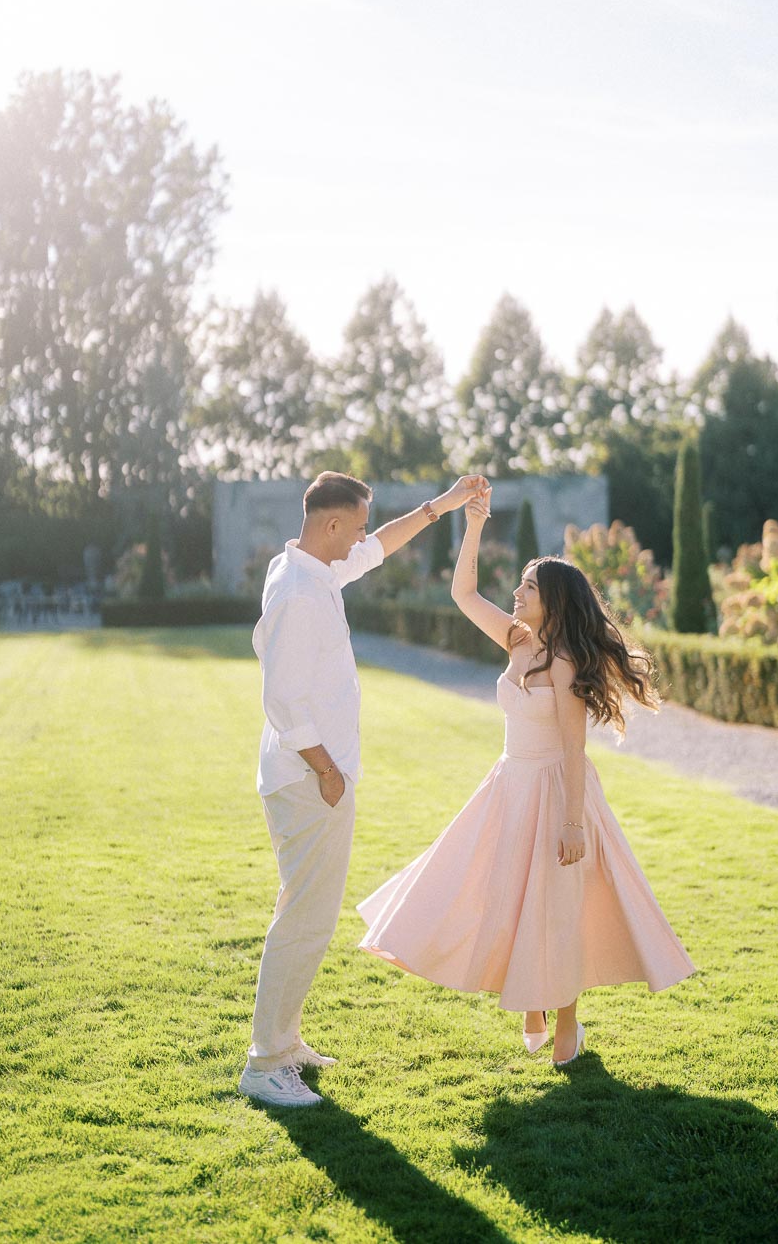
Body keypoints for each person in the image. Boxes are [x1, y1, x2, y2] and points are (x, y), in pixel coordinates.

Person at [358, 489, 695, 1065]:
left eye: (528, 587)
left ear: (555, 602)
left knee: (557, 903)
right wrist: (474, 522)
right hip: (509, 785)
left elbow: (571, 748)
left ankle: (566, 1021)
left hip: (557, 790)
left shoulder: (565, 663)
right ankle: (531, 1001)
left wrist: (571, 824)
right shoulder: (516, 638)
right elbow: (463, 593)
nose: (516, 593)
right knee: (501, 894)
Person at [239, 469, 489, 1108]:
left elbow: (379, 545)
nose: (360, 539)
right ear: (328, 525)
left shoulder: (312, 568)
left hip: (311, 777)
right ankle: (265, 1065)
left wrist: (444, 506)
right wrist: (328, 772)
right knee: (303, 921)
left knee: (305, 917)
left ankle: (284, 1042)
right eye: (352, 527)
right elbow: (284, 701)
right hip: (307, 780)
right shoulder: (298, 591)